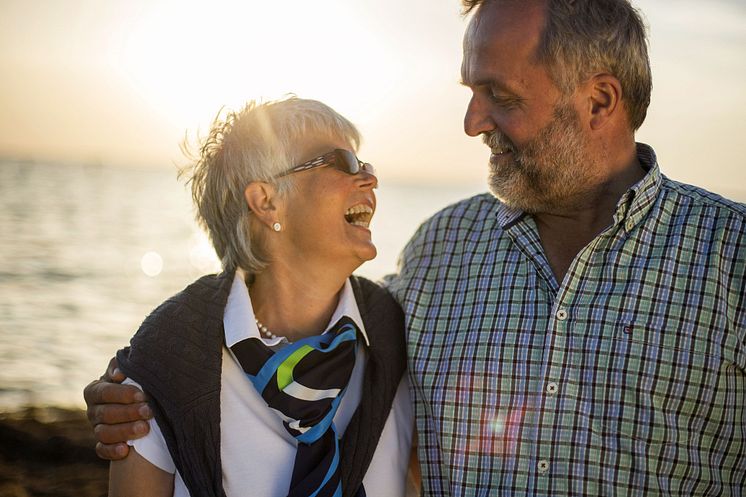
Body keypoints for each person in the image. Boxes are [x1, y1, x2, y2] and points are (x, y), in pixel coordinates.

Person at [86, 0, 745, 495]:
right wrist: (142, 370)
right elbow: (301, 311)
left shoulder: (733, 261)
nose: (471, 122)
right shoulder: (443, 248)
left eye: (500, 95)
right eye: (471, 92)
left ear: (601, 99)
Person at [96, 96, 414, 497]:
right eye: (343, 163)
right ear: (266, 201)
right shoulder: (166, 357)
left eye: (365, 165)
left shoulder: (404, 335)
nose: (369, 178)